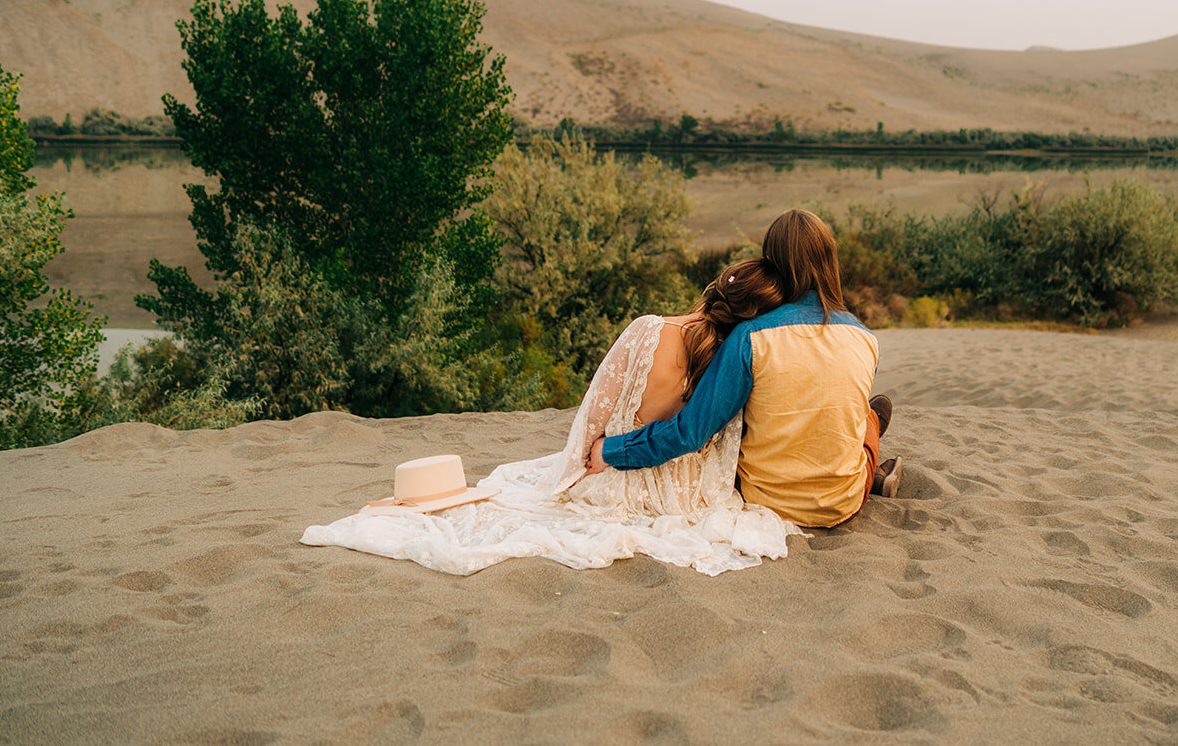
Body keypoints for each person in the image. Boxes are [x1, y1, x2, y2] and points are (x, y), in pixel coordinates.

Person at [301, 258, 801, 576]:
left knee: (520, 495)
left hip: (619, 474)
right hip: (681, 494)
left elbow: (592, 415)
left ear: (717, 287)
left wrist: (574, 471)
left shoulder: (649, 330)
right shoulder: (736, 361)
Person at [587, 209, 899, 528]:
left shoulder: (750, 337)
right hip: (843, 503)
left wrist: (612, 449)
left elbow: (690, 432)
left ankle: (871, 426)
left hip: (768, 502)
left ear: (771, 264)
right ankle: (873, 444)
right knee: (861, 420)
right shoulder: (865, 338)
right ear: (830, 261)